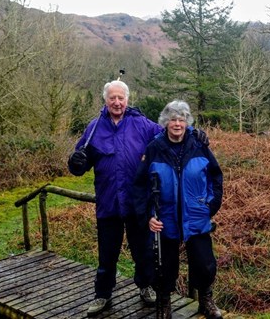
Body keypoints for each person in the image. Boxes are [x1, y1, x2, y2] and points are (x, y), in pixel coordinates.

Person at [67, 81, 208, 317]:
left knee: (143, 251)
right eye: (112, 98)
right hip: (108, 203)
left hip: (137, 203)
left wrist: (194, 132)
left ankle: (146, 287)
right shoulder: (94, 128)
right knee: (107, 253)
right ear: (105, 100)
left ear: (127, 99)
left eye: (121, 98)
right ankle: (103, 294)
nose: (117, 102)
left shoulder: (141, 124)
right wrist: (75, 162)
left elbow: (169, 132)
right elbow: (80, 163)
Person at [132, 100, 223, 319]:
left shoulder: (199, 145)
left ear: (187, 122)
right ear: (165, 122)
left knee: (204, 263)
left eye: (181, 119)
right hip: (165, 219)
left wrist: (209, 206)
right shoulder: (155, 148)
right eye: (173, 119)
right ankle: (164, 302)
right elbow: (140, 185)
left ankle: (206, 300)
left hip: (196, 217)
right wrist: (147, 217)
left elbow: (216, 177)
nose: (177, 124)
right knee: (164, 265)